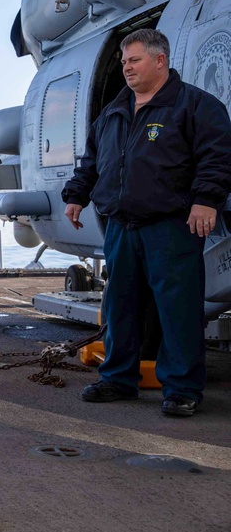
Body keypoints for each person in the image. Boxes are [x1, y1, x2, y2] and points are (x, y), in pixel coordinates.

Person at [63, 28, 231, 417]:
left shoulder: (195, 106)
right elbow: (93, 161)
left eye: (133, 60)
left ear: (160, 60)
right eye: (123, 62)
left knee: (178, 309)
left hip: (170, 225)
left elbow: (217, 156)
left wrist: (206, 200)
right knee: (121, 306)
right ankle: (118, 379)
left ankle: (183, 388)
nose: (126, 68)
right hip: (122, 226)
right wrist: (76, 194)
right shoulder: (114, 112)